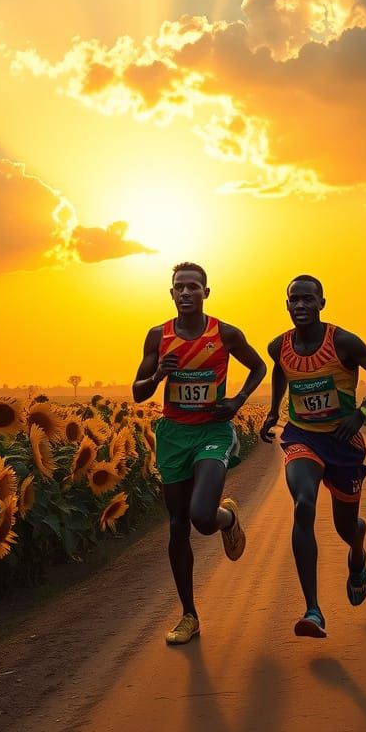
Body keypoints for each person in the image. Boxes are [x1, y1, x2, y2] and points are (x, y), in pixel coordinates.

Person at [132, 262, 267, 646]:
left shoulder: (224, 333)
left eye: (194, 287)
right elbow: (138, 392)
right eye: (180, 287)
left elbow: (259, 367)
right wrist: (159, 375)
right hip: (174, 435)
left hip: (212, 431)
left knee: (202, 518)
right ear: (171, 294)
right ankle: (189, 615)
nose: (186, 293)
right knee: (177, 525)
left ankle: (226, 518)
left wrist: (238, 401)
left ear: (206, 292)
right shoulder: (158, 336)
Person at [260, 275, 366, 638]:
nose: (301, 305)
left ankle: (358, 552)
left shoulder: (343, 341)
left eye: (309, 299)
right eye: (295, 300)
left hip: (343, 444)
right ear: (287, 305)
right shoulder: (279, 346)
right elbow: (280, 370)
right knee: (303, 504)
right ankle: (313, 610)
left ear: (322, 303)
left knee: (346, 528)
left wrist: (362, 413)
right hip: (301, 437)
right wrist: (274, 410)